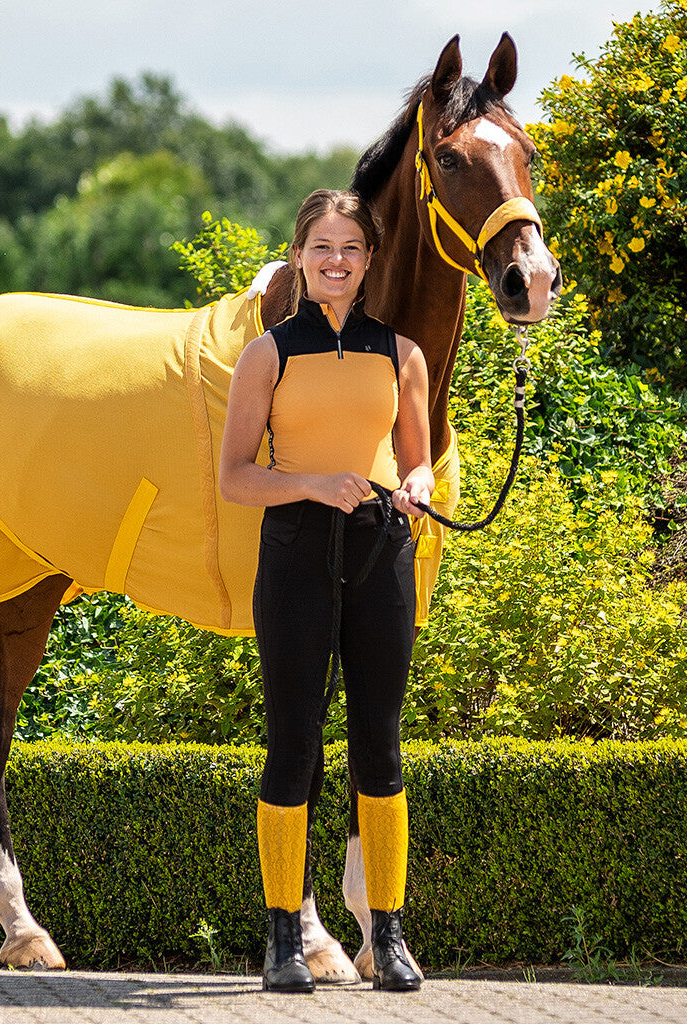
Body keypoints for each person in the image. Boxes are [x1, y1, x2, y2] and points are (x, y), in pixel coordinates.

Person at [219, 189, 433, 993]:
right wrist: (312, 484)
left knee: (380, 740)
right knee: (293, 742)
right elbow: (235, 477)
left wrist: (415, 484)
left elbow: (416, 457)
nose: (335, 261)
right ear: (299, 256)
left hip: (382, 547)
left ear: (369, 260)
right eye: (321, 247)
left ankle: (390, 934)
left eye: (350, 248)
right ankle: (283, 938)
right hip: (295, 551)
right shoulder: (267, 354)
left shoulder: (402, 355)